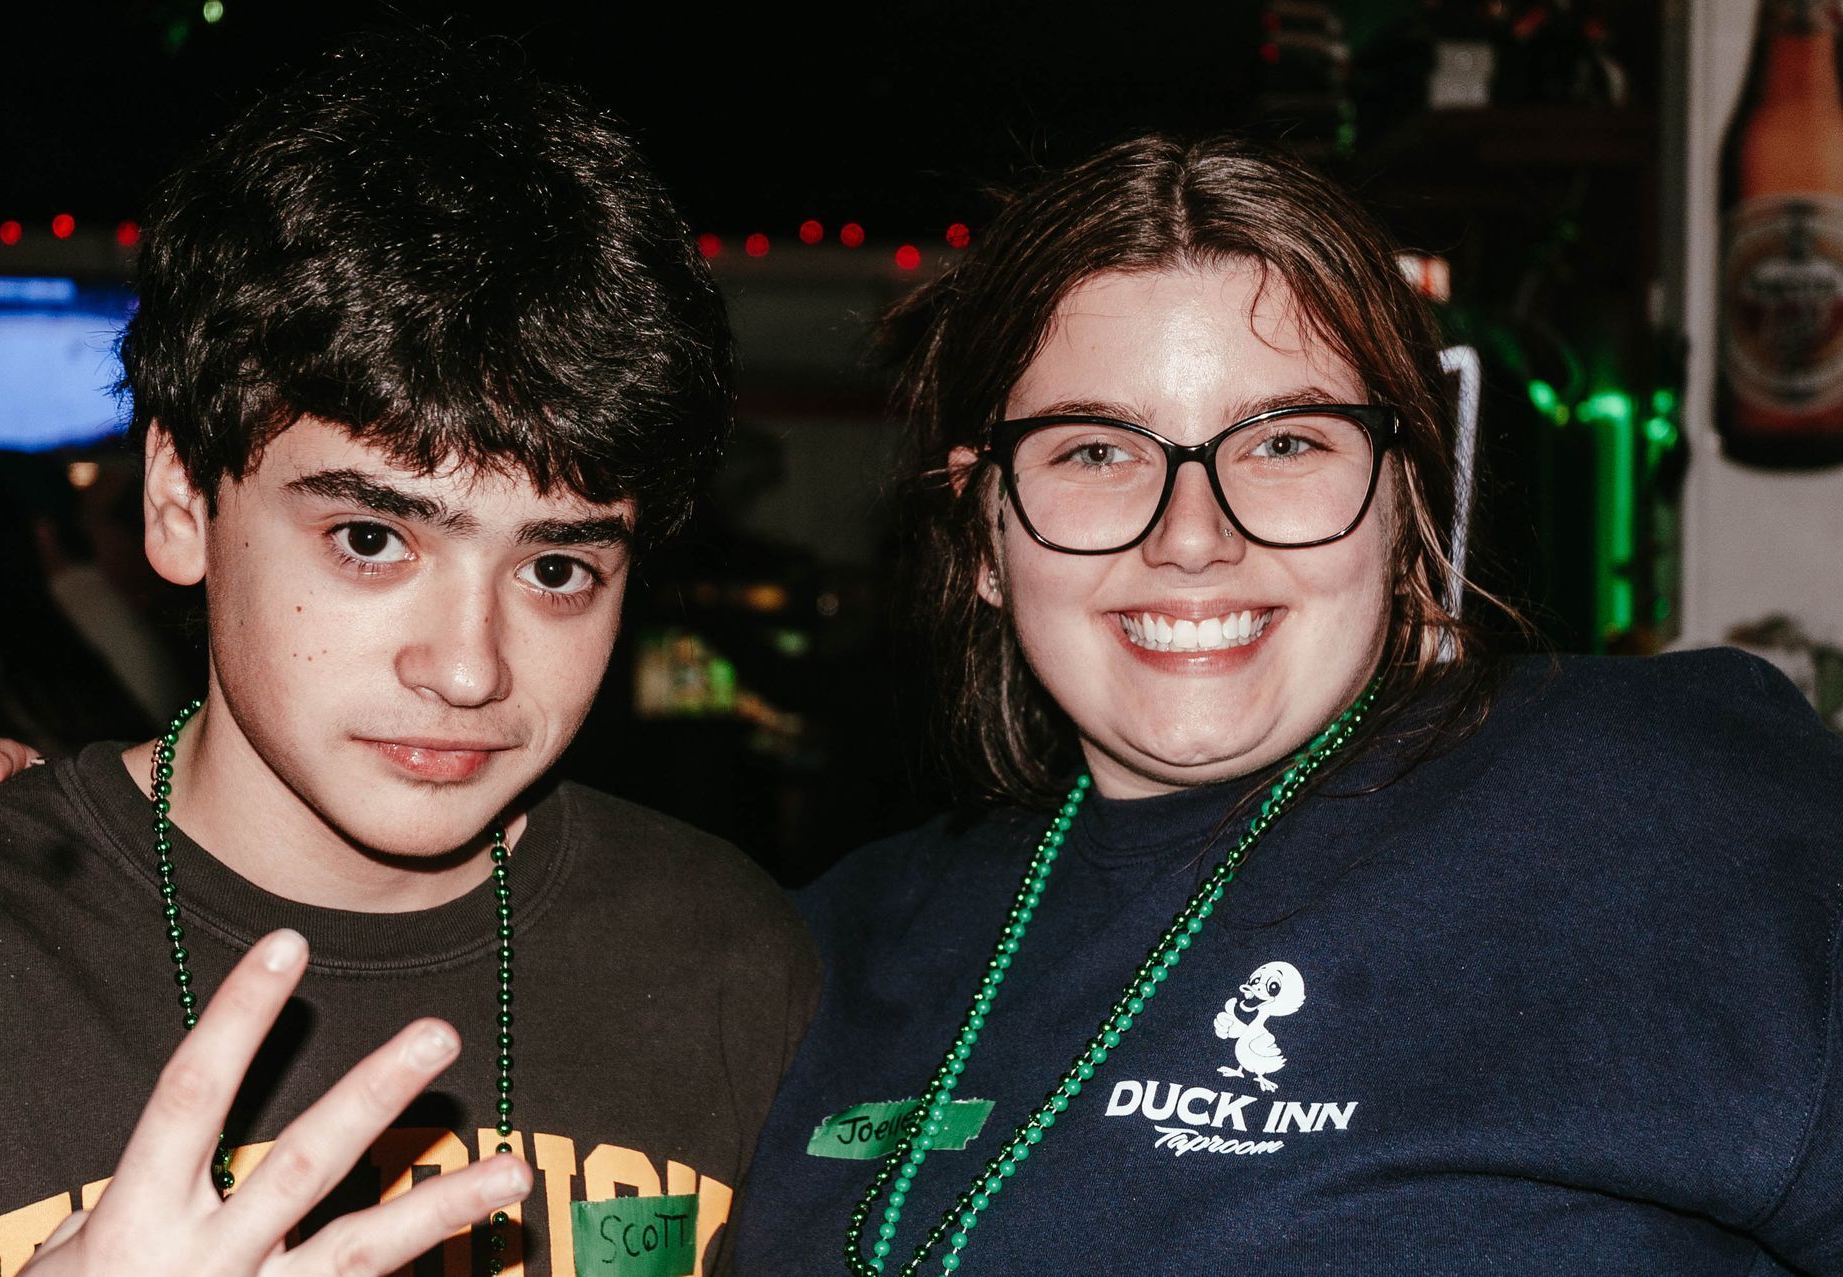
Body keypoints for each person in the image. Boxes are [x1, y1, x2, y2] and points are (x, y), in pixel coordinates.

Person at [730, 136, 1843, 1273]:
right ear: (984, 527)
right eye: (1099, 450)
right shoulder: (812, 948)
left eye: (1285, 440)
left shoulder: (1660, 814)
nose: (1193, 537)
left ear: (1404, 494)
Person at [0, 32, 816, 1277]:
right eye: (369, 536)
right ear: (181, 497)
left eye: (556, 567)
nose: (467, 668)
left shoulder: (732, 953)